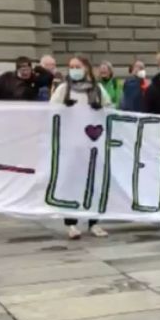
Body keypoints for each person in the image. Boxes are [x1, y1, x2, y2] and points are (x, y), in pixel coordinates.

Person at [50, 55, 112, 240]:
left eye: (77, 66)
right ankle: (71, 224)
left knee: (95, 182)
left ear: (86, 68)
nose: (74, 69)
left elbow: (109, 110)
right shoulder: (64, 89)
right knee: (71, 183)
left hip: (93, 144)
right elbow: (51, 112)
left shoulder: (97, 89)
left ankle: (94, 222)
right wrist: (63, 110)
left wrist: (100, 110)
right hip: (71, 144)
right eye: (71, 66)